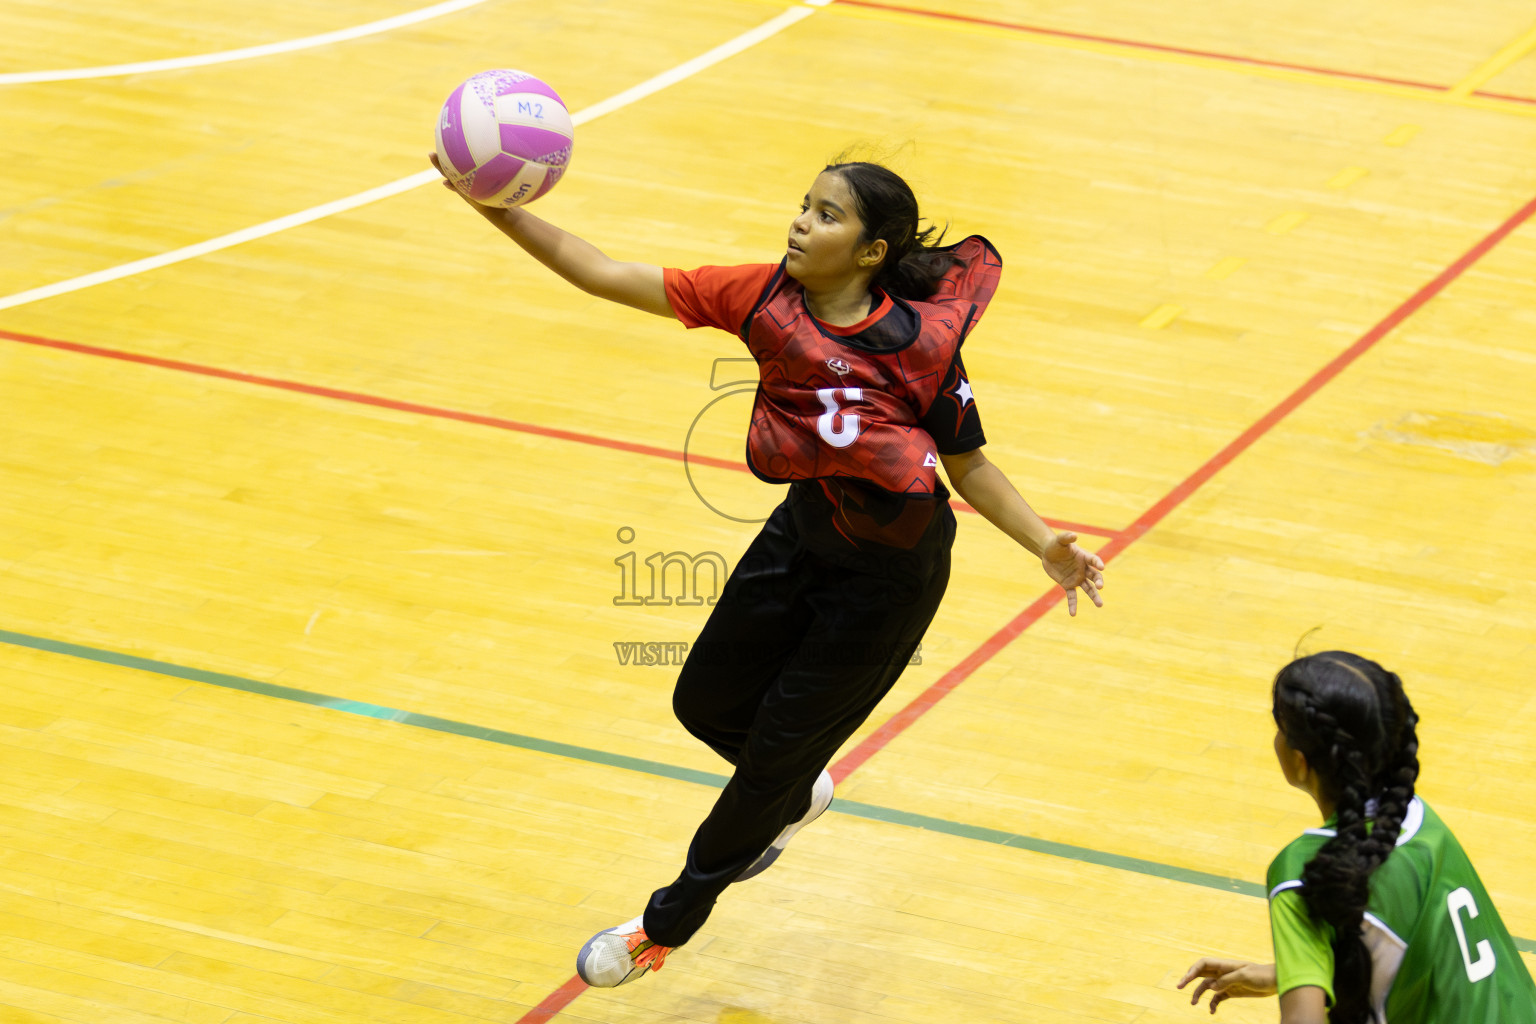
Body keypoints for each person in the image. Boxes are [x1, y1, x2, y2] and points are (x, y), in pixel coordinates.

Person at [430, 154, 1106, 987]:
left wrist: (1046, 543)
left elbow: (968, 467)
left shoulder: (919, 348)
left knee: (764, 768)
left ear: (870, 252)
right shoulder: (759, 297)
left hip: (887, 583)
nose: (800, 223)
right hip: (801, 537)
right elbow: (601, 272)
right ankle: (796, 794)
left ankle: (661, 927)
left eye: (827, 216)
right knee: (701, 702)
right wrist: (492, 207)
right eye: (803, 206)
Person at [1179, 651, 1536, 1022]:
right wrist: (1296, 971)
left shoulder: (1301, 871)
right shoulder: (1417, 817)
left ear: (1300, 761)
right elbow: (1414, 946)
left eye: (1279, 728)